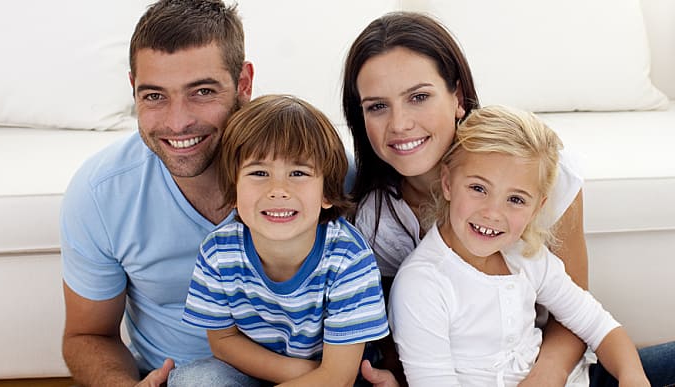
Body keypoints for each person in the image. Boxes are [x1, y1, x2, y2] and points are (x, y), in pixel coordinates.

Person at [342, 11, 675, 387]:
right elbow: (406, 351)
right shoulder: (380, 226)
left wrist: (548, 377)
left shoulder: (537, 172)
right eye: (377, 106)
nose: (400, 123)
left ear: (458, 98)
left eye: (418, 97)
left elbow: (581, 315)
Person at [59, 1, 254, 386]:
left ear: (243, 84)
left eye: (201, 91)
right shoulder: (101, 193)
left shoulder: (321, 168)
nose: (178, 122)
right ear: (133, 90)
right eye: (154, 96)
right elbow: (87, 334)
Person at [389, 105, 649, 386]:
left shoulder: (527, 256)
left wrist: (632, 377)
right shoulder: (422, 284)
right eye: (478, 189)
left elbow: (599, 325)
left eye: (515, 200)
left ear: (538, 208)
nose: (492, 212)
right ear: (448, 183)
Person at [167, 94, 389, 386]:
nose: (278, 190)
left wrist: (322, 376)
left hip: (338, 378)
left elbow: (339, 377)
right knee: (194, 380)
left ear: (326, 193)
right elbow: (223, 341)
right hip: (265, 371)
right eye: (259, 173)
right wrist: (296, 374)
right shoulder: (218, 251)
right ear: (234, 190)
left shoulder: (348, 258)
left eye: (298, 173)